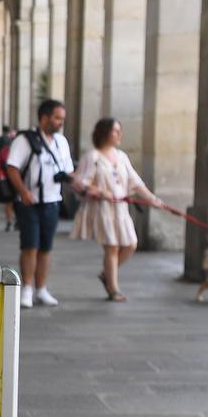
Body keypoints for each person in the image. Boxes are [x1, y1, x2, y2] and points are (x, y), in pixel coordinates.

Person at [71, 117, 153, 301]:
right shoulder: (92, 156)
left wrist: (153, 199)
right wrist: (100, 192)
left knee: (131, 244)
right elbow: (80, 183)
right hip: (103, 209)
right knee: (112, 247)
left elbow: (135, 182)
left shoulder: (121, 156)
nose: (119, 134)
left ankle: (107, 274)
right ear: (104, 133)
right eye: (115, 131)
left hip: (121, 209)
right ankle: (113, 288)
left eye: (119, 130)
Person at [3, 99, 74, 308]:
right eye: (57, 118)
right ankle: (27, 288)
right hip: (29, 203)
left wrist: (85, 185)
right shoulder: (25, 140)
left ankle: (41, 289)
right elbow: (12, 167)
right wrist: (23, 191)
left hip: (52, 201)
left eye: (62, 119)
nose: (60, 122)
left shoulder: (61, 142)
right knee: (30, 246)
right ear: (44, 118)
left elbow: (68, 171)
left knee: (46, 248)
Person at [0, 125, 18, 230]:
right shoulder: (5, 151)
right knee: (9, 201)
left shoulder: (16, 151)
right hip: (7, 179)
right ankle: (9, 221)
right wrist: (1, 176)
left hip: (15, 178)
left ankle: (14, 221)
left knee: (14, 201)